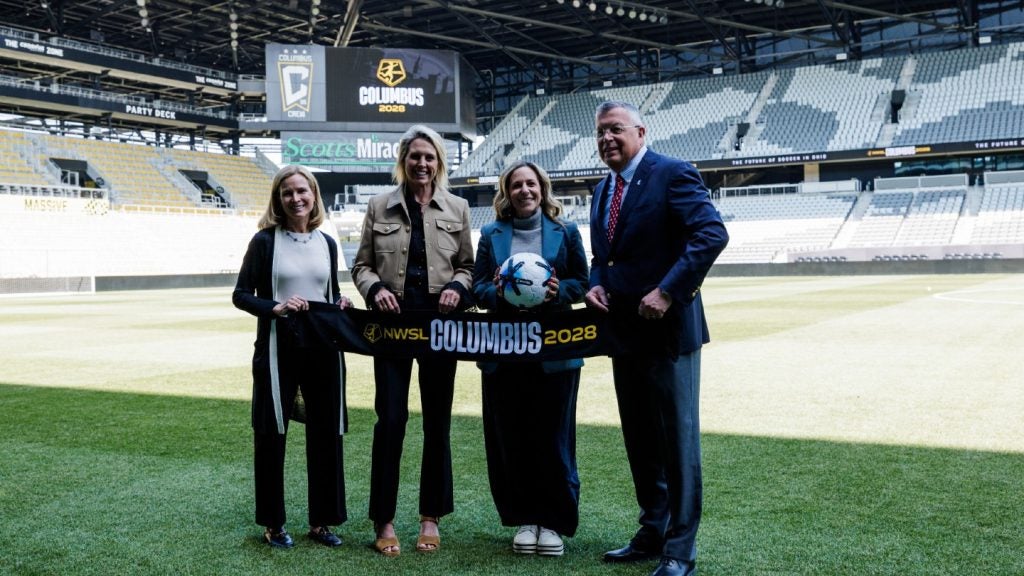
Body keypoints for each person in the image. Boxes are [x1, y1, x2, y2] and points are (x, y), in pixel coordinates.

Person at [585, 101, 729, 576]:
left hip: (668, 333)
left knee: (677, 442)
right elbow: (603, 257)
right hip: (624, 333)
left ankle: (680, 550)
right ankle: (652, 531)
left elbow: (711, 234)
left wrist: (667, 291)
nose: (607, 138)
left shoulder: (673, 173)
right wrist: (596, 282)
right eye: (600, 132)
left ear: (641, 132)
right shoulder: (603, 189)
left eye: (615, 129)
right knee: (640, 439)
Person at [351, 124, 474, 556]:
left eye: (429, 156)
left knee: (437, 422)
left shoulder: (458, 207)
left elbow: (468, 266)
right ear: (403, 160)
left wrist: (457, 286)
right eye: (415, 156)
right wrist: (374, 290)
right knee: (391, 420)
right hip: (391, 328)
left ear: (439, 162)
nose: (422, 163)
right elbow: (362, 265)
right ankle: (383, 520)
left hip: (440, 327)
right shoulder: (379, 205)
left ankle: (430, 516)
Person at [471, 161, 589, 557]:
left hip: (554, 351)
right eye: (517, 184)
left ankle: (553, 521)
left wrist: (557, 292)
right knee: (512, 437)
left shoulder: (566, 231)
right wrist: (498, 293)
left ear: (542, 188)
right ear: (506, 192)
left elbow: (582, 283)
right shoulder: (491, 234)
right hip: (504, 352)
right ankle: (524, 519)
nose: (525, 190)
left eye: (531, 183)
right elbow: (478, 288)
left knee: (553, 438)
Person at [232, 164, 352, 549]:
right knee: (272, 433)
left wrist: (341, 302)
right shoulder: (265, 242)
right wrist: (276, 307)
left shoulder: (327, 243)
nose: (296, 198)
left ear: (314, 195)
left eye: (302, 191)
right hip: (277, 348)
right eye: (287, 193)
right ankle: (273, 523)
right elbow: (241, 295)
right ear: (278, 199)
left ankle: (322, 522)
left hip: (323, 348)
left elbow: (331, 293)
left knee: (326, 434)